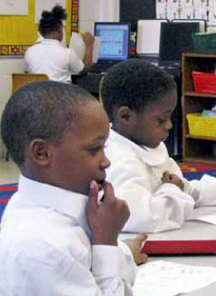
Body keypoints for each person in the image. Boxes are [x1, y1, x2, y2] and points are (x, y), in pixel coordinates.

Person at [0, 81, 147, 295]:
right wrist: (106, 243)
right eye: (94, 149)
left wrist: (116, 247)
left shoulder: (51, 209)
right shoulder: (45, 247)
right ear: (42, 153)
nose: (106, 161)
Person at [101, 59, 216, 233]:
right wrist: (171, 188)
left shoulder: (149, 145)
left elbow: (182, 187)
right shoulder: (119, 161)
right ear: (126, 116)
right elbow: (146, 219)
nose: (169, 125)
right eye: (161, 119)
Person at [24, 5, 94, 82]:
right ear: (59, 31)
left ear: (41, 32)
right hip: (60, 93)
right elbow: (84, 70)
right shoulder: (67, 53)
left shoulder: (30, 52)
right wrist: (89, 46)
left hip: (37, 93)